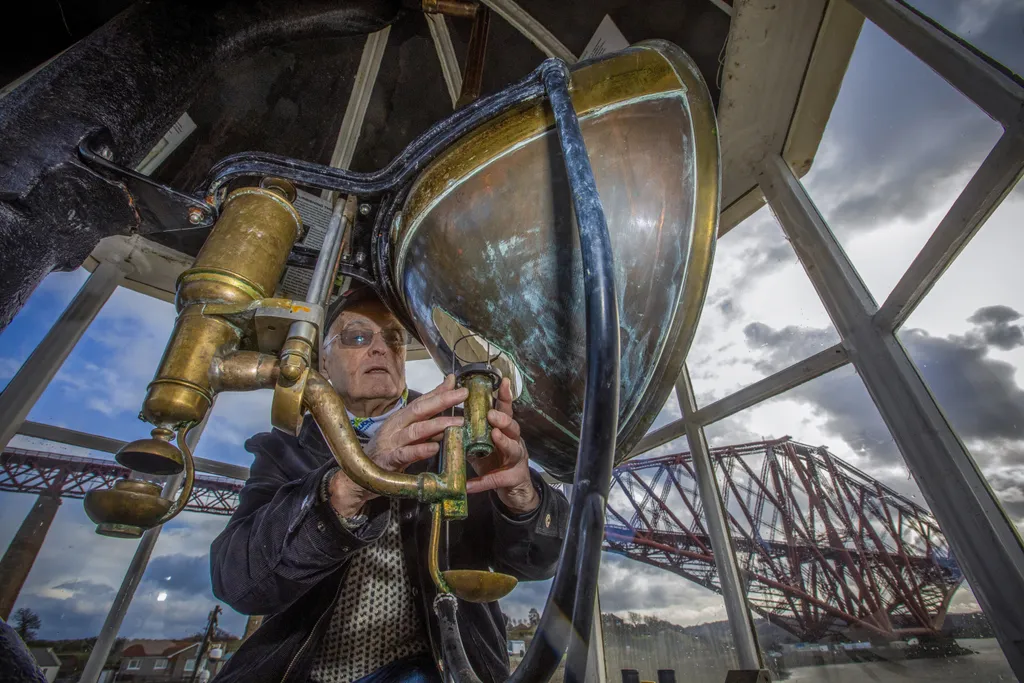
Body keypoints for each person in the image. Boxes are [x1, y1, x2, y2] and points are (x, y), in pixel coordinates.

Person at [209, 286, 569, 683]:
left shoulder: (459, 431)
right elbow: (238, 583)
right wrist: (351, 483)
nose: (381, 348)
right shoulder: (285, 449)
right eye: (358, 337)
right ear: (323, 362)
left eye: (394, 339)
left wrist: (520, 496)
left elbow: (536, 562)